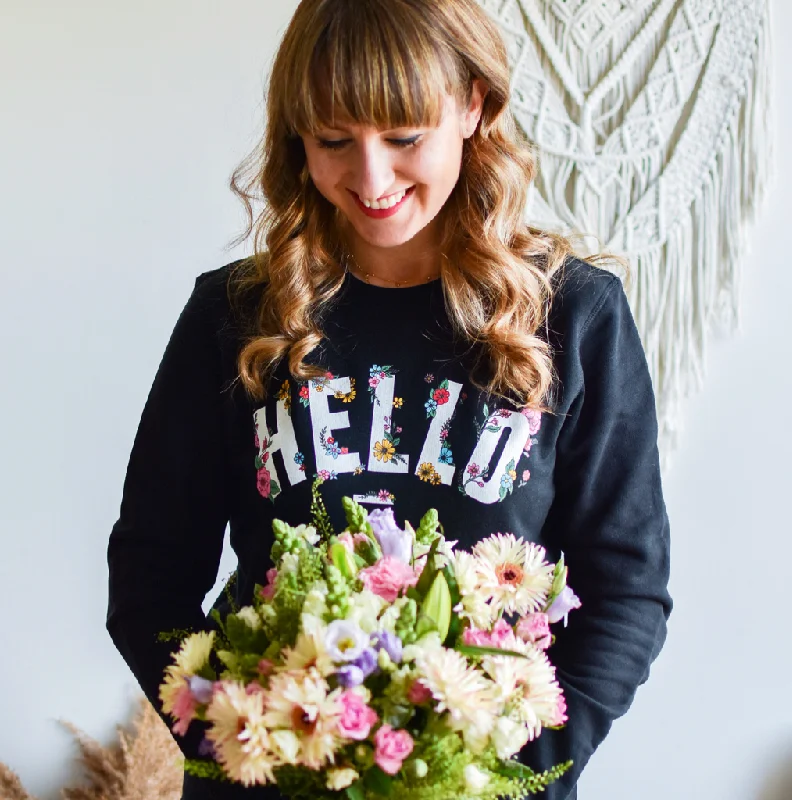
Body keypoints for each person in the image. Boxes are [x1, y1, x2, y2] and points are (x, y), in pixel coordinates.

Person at [105, 1, 672, 798]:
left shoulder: (575, 315)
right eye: (334, 140)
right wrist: (247, 746)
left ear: (474, 104)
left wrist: (503, 774)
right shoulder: (233, 317)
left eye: (404, 137)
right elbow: (149, 577)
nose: (370, 180)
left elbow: (627, 588)